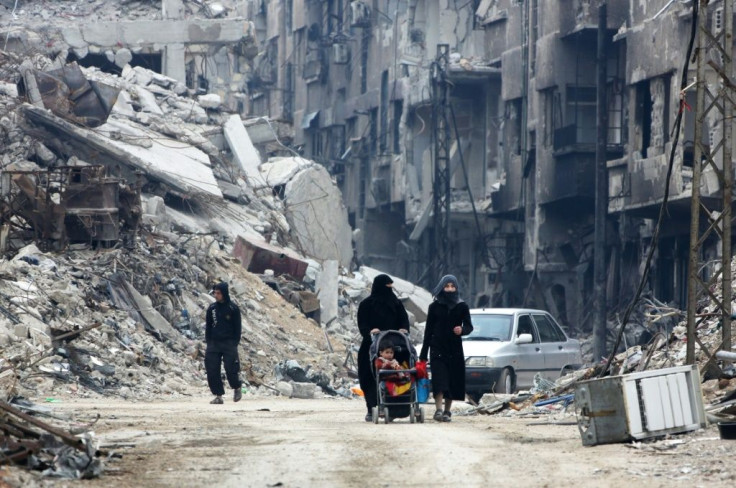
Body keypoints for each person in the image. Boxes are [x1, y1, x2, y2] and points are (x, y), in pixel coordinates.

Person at [419, 275, 473, 422]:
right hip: (437, 348)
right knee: (439, 380)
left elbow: (469, 326)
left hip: (454, 350)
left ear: (456, 288)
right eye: (446, 286)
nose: (449, 289)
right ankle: (438, 410)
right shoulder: (434, 307)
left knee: (452, 381)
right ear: (442, 287)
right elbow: (428, 330)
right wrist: (424, 353)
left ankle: (447, 411)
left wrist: (462, 330)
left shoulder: (462, 306)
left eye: (452, 286)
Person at [357, 274, 410, 422]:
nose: (389, 290)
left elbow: (404, 322)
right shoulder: (366, 304)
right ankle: (371, 408)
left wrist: (403, 330)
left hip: (394, 348)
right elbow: (362, 325)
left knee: (396, 375)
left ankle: (394, 408)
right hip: (371, 347)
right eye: (387, 286)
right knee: (369, 377)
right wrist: (370, 332)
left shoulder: (396, 304)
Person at [205, 282, 243, 405]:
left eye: (218, 293)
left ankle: (236, 387)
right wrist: (209, 342)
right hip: (214, 344)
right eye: (215, 293)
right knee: (212, 369)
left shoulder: (233, 308)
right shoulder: (212, 309)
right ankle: (218, 396)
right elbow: (208, 327)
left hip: (229, 344)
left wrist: (234, 343)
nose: (216, 295)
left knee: (230, 368)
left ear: (224, 293)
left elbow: (238, 328)